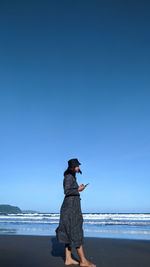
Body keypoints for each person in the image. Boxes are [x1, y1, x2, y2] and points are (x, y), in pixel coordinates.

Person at [55, 158, 96, 266]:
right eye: (77, 166)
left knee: (70, 232)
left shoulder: (71, 176)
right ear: (73, 167)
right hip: (70, 209)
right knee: (76, 232)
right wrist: (78, 189)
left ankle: (68, 259)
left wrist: (78, 188)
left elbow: (70, 190)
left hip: (72, 208)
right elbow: (67, 191)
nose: (79, 168)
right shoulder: (68, 177)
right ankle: (83, 261)